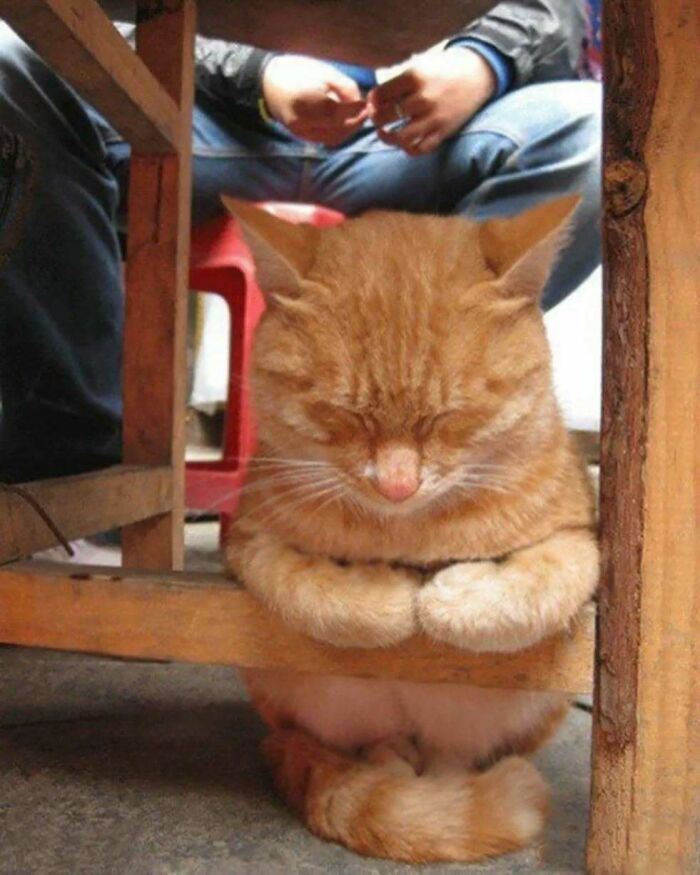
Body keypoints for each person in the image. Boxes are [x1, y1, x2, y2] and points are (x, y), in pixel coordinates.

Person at [0, 0, 601, 485]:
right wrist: (260, 73)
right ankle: (77, 445)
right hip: (196, 118)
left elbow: (555, 9)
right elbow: (102, 16)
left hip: (420, 139)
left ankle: (442, 425)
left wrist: (481, 62)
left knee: (598, 133)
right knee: (8, 62)